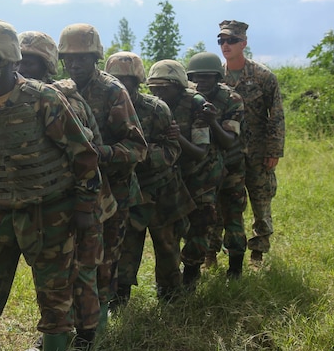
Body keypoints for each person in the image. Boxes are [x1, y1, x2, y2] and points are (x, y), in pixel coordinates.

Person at [0, 20, 101, 351]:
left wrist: (84, 209)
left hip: (49, 211)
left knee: (55, 293)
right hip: (2, 209)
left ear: (7, 60)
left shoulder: (44, 100)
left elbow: (84, 155)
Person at [18, 30, 116, 351]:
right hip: (48, 202)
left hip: (84, 197)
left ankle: (88, 341)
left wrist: (86, 206)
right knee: (54, 275)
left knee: (85, 271)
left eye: (30, 63)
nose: (22, 69)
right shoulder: (18, 98)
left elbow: (86, 155)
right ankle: (54, 334)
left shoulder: (65, 98)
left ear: (46, 65)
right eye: (18, 62)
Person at [57, 23, 147, 325]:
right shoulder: (60, 91)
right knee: (69, 260)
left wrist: (101, 153)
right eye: (69, 58)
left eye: (82, 57)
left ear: (95, 57)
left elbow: (137, 148)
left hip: (114, 192)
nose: (75, 64)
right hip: (74, 191)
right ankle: (65, 323)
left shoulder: (113, 92)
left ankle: (99, 326)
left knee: (105, 261)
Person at [105, 52, 195, 305]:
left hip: (160, 189)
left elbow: (173, 149)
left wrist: (139, 156)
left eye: (128, 80)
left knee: (167, 246)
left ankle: (169, 295)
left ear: (138, 81)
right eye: (115, 79)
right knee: (124, 249)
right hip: (126, 192)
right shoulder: (103, 108)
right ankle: (119, 299)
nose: (122, 85)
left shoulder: (156, 109)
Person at [149, 59, 223, 291]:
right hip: (173, 175)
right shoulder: (153, 106)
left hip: (201, 175)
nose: (159, 92)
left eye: (165, 87)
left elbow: (201, 152)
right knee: (171, 227)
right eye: (154, 88)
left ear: (179, 85)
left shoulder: (196, 104)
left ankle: (191, 274)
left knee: (200, 225)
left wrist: (177, 136)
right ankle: (170, 280)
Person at [217, 20, 285, 267]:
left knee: (261, 199)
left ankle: (258, 252)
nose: (226, 45)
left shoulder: (263, 76)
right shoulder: (215, 77)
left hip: (257, 151)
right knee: (222, 202)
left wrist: (274, 150)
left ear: (243, 43)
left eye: (231, 40)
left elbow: (275, 115)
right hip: (227, 151)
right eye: (222, 41)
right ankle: (213, 251)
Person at [187, 52, 247, 278]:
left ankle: (235, 269)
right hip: (203, 167)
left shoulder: (232, 99)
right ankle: (199, 263)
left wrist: (212, 121)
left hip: (231, 165)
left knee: (232, 215)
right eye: (196, 77)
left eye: (207, 77)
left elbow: (229, 140)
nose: (201, 82)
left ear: (217, 77)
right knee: (203, 217)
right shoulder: (190, 98)